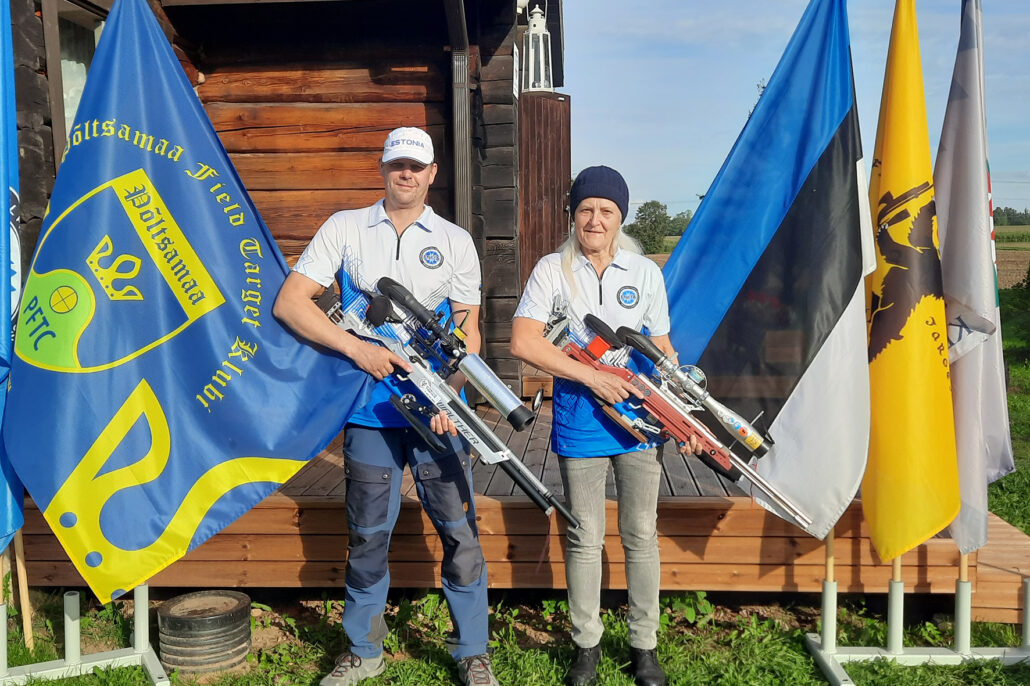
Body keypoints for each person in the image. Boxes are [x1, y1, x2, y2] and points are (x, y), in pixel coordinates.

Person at [273, 127, 498, 686]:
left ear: (432, 174)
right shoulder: (346, 228)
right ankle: (363, 650)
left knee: (459, 531)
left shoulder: (455, 241)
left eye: (416, 166)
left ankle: (472, 651)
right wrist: (358, 349)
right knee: (368, 534)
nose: (406, 174)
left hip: (436, 413)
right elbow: (290, 303)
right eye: (398, 164)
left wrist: (448, 394)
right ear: (382, 168)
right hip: (368, 412)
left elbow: (468, 332)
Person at [510, 166, 699, 686]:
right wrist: (591, 376)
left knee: (641, 533)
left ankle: (644, 647)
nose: (595, 219)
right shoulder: (552, 270)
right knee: (584, 536)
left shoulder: (645, 273)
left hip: (640, 423)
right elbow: (524, 341)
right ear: (573, 215)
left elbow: (662, 349)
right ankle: (587, 645)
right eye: (586, 209)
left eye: (606, 211)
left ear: (621, 218)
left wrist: (681, 415)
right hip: (580, 422)